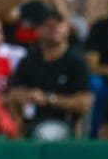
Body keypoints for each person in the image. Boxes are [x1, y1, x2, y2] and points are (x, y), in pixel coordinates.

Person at [5, 10, 93, 138]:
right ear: (38, 30)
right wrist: (26, 95)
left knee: (46, 133)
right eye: (48, 26)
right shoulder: (29, 61)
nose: (54, 29)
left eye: (58, 25)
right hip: (31, 120)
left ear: (67, 30)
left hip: (63, 121)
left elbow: (85, 103)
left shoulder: (76, 62)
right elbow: (13, 92)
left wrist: (49, 99)